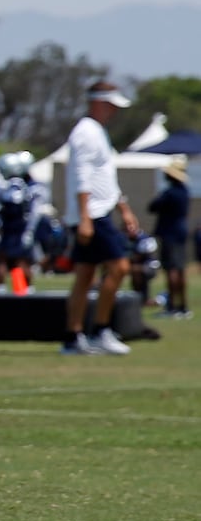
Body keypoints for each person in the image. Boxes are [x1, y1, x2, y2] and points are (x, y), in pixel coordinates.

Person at [60, 82, 140, 355]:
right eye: (111, 105)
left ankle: (74, 336)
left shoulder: (98, 133)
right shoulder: (86, 133)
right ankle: (100, 330)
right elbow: (81, 177)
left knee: (85, 275)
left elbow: (104, 177)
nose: (115, 111)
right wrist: (84, 217)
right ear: (98, 103)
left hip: (98, 211)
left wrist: (123, 208)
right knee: (119, 267)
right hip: (92, 214)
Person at [0, 151, 40, 293]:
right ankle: (22, 291)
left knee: (12, 262)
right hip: (17, 228)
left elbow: (8, 209)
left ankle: (14, 291)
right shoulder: (25, 187)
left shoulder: (11, 189)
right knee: (17, 262)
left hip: (13, 229)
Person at [147, 158, 189, 318]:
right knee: (180, 269)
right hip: (180, 232)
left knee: (171, 269)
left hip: (170, 233)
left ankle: (172, 306)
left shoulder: (170, 193)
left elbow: (152, 206)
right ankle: (183, 306)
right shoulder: (184, 191)